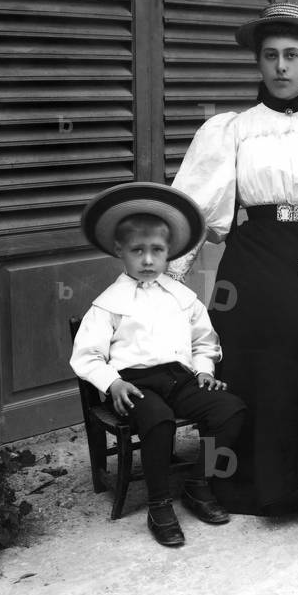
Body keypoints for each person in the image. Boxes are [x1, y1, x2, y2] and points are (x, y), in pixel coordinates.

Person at [167, 3, 298, 539]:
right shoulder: (232, 129)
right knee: (252, 341)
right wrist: (166, 286)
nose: (282, 67)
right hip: (253, 252)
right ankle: (245, 480)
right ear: (258, 65)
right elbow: (195, 209)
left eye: (292, 56)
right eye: (271, 57)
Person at [70, 182, 246, 547]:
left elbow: (205, 340)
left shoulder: (182, 298)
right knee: (157, 418)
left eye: (157, 251)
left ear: (170, 254)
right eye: (138, 251)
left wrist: (203, 371)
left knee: (230, 410)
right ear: (120, 251)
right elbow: (86, 355)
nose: (148, 260)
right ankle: (159, 503)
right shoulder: (108, 304)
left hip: (179, 379)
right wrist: (112, 384)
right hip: (133, 384)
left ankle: (199, 484)